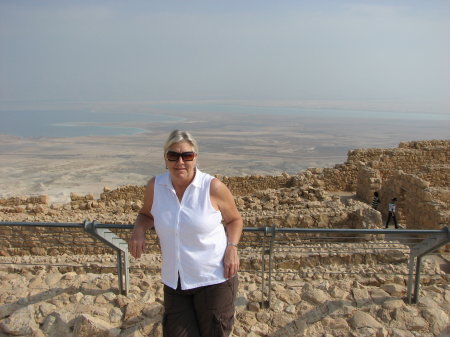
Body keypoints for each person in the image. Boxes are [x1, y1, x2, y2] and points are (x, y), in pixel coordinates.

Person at [128, 130, 243, 337]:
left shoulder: (212, 187)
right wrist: (138, 229)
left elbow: (235, 219)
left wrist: (232, 248)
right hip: (175, 281)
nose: (180, 161)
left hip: (214, 279)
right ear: (165, 159)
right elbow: (146, 214)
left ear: (195, 158)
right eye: (173, 155)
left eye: (186, 156)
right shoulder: (156, 187)